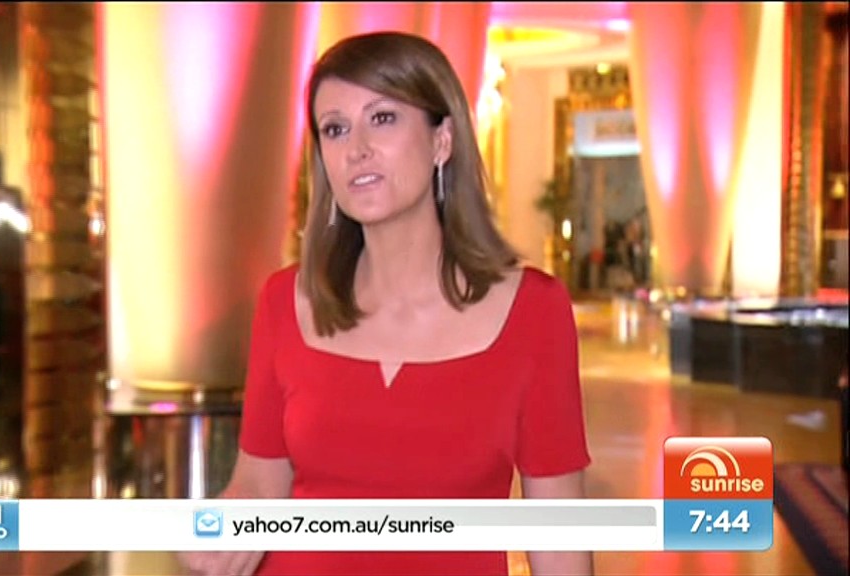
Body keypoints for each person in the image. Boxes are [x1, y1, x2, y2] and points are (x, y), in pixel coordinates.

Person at [182, 31, 591, 576]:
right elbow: (258, 486)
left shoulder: (534, 311)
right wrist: (218, 532)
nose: (356, 149)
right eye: (335, 129)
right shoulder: (285, 302)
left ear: (442, 140)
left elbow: (559, 537)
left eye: (382, 118)